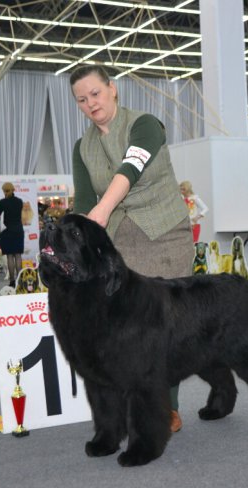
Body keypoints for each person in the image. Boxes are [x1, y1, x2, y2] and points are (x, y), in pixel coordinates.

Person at [69, 64, 192, 433]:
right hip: (120, 244)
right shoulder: (82, 148)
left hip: (165, 233)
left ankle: (167, 409)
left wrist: (102, 211)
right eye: (81, 100)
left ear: (114, 89)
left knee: (165, 327)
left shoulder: (146, 125)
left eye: (95, 93)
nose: (91, 103)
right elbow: (83, 202)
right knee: (127, 330)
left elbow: (130, 167)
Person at [0, 182, 25, 287]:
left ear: (4, 191)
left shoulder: (1, 203)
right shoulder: (19, 202)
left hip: (7, 231)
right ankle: (20, 280)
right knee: (18, 255)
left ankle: (12, 281)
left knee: (9, 256)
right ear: (13, 189)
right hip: (18, 230)